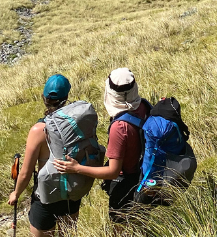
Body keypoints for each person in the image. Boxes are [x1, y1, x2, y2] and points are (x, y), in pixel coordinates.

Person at [54, 68, 151, 223]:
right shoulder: (143, 106)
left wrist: (76, 168)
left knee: (121, 230)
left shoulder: (119, 128)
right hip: (146, 177)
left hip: (127, 185)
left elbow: (112, 172)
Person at [9, 74, 83, 237]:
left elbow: (26, 173)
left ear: (44, 97)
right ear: (66, 96)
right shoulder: (78, 123)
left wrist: (16, 193)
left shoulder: (39, 130)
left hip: (46, 194)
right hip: (71, 191)